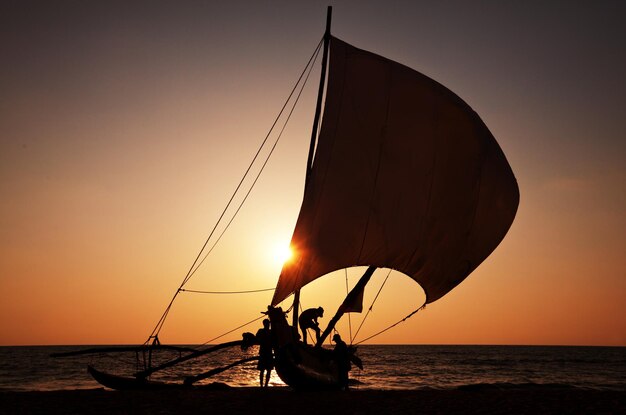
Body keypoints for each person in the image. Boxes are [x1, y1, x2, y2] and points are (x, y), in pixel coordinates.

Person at [255, 319, 273, 387]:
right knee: (262, 370)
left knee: (268, 370)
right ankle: (262, 385)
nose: (268, 325)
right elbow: (256, 338)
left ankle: (265, 385)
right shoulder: (261, 331)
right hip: (264, 352)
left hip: (268, 352)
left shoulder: (271, 332)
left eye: (268, 323)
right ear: (264, 324)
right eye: (267, 324)